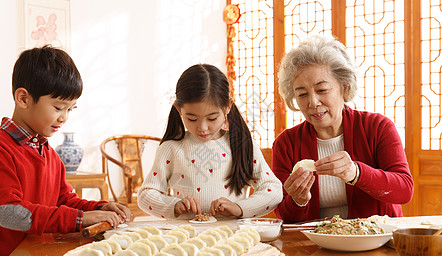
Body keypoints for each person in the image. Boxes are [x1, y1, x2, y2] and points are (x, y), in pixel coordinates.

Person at [0, 45, 132, 256]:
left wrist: (100, 207)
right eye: (58, 107)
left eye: (71, 109)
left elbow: (64, 200)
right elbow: (9, 214)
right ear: (23, 98)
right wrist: (79, 219)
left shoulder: (50, 155)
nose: (64, 117)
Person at [272, 35, 414, 223]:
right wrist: (297, 201)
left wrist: (356, 173)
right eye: (302, 94)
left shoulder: (378, 127)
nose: (313, 102)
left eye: (322, 90)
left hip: (374, 241)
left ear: (344, 88)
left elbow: (404, 190)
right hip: (314, 245)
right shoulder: (286, 144)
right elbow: (284, 216)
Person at [137, 64, 282, 219]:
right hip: (186, 238)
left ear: (227, 108)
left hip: (233, 238)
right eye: (192, 119)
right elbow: (146, 195)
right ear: (179, 110)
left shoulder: (243, 145)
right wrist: (174, 206)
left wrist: (240, 208)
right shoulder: (171, 148)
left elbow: (273, 190)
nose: (202, 128)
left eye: (212, 118)